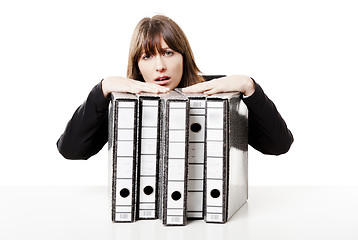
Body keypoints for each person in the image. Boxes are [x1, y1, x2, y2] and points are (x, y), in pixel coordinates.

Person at [57, 15, 293, 160]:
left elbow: (278, 145)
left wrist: (249, 87)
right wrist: (102, 89)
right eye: (147, 56)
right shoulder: (125, 101)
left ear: (184, 56)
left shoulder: (218, 92)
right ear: (137, 65)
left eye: (168, 53)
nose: (160, 66)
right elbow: (72, 150)